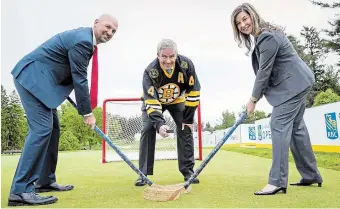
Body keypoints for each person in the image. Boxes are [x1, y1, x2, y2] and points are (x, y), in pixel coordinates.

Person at [8, 14, 118, 206]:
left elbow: (65, 67)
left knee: (54, 128)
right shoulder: (83, 41)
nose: (109, 32)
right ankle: (21, 190)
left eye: (113, 31)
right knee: (42, 129)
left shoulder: (85, 40)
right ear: (96, 23)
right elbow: (80, 78)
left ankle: (44, 181)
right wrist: (87, 113)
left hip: (42, 81)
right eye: (107, 27)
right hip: (32, 79)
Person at [231, 3, 323, 195]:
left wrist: (253, 100)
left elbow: (264, 72)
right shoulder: (264, 34)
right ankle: (311, 174)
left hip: (294, 85)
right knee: (297, 129)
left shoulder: (266, 37)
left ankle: (277, 181)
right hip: (297, 83)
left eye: (245, 19)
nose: (242, 25)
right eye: (238, 23)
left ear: (253, 16)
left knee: (278, 124)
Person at [135, 39, 201, 186]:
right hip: (154, 102)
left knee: (185, 128)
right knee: (147, 128)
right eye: (164, 57)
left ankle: (188, 171)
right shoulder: (149, 71)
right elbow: (151, 101)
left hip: (177, 100)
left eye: (172, 57)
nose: (168, 60)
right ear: (158, 55)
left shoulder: (186, 65)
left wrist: (188, 119)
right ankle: (143, 174)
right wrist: (159, 124)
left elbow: (194, 92)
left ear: (176, 55)